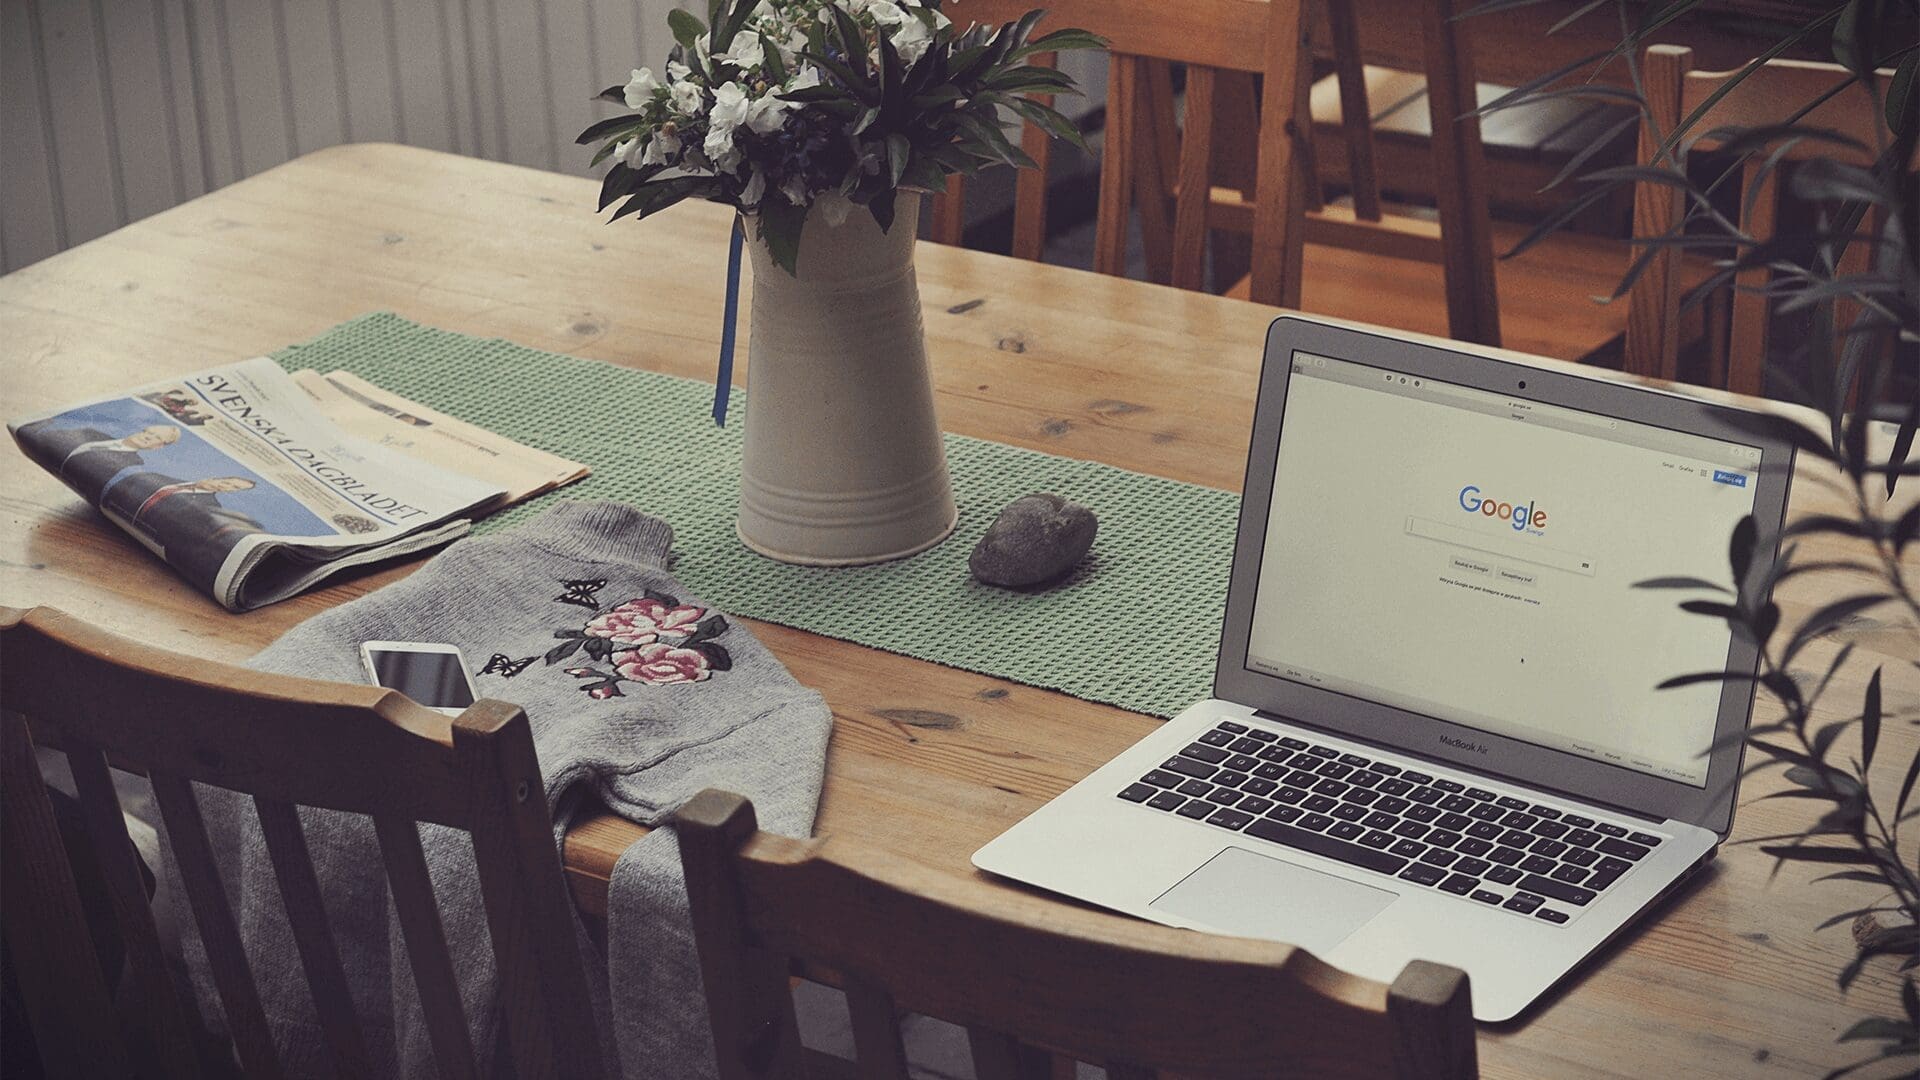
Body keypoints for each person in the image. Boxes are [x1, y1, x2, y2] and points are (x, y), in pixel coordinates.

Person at [13, 421, 181, 493]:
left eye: (157, 438)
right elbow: (43, 436)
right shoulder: (91, 433)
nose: (148, 437)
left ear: (158, 446)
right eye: (149, 432)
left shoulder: (133, 466)